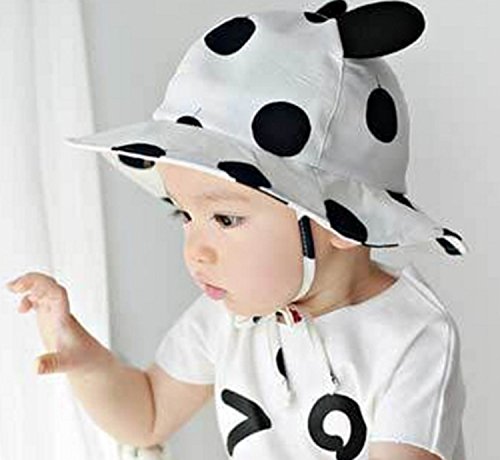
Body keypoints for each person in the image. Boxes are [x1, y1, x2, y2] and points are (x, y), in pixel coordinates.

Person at [5, 1, 469, 459]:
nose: (195, 252)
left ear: (342, 222)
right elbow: (147, 415)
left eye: (225, 219)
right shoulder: (225, 317)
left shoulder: (411, 336)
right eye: (184, 215)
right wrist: (85, 360)